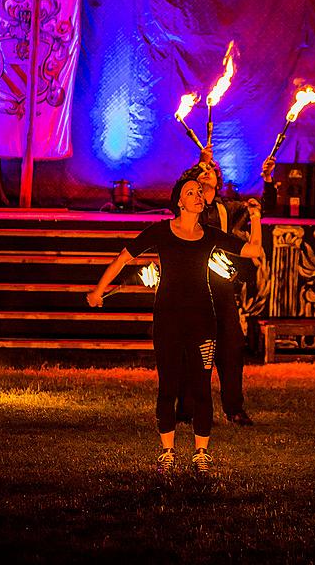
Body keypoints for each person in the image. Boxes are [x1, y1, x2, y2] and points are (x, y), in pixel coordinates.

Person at [86, 176, 263, 474]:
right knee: (167, 386)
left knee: (202, 387)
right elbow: (123, 258)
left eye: (198, 192)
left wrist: (256, 218)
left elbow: (254, 250)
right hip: (168, 319)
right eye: (189, 192)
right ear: (179, 203)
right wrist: (98, 290)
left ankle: (201, 454)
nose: (196, 195)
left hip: (203, 320)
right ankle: (167, 452)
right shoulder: (161, 232)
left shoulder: (210, 235)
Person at [175, 149, 276, 426]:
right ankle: (185, 409)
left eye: (211, 171)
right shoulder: (187, 207)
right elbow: (180, 190)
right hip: (193, 288)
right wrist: (200, 163)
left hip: (221, 289)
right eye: (201, 172)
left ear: (218, 182)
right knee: (192, 350)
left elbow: (262, 207)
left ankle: (234, 409)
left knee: (231, 348)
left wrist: (267, 179)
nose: (207, 173)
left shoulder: (228, 209)